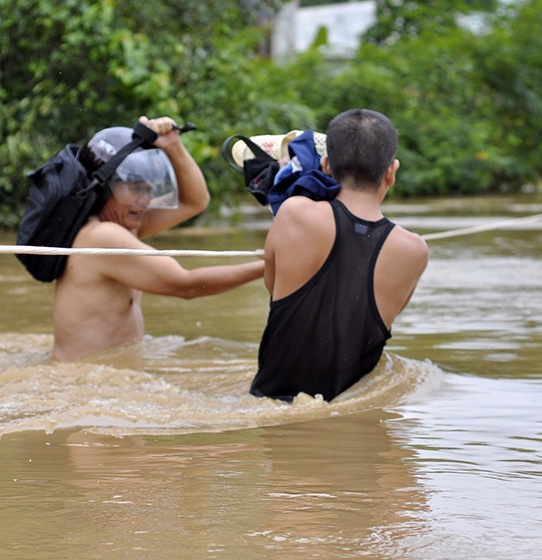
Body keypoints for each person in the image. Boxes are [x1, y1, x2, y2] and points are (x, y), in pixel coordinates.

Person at [250, 108, 429, 402]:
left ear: (327, 166)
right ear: (391, 172)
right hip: (353, 415)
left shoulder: (295, 213)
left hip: (271, 408)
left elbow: (273, 286)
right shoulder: (414, 250)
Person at [52, 116, 264, 361]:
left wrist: (173, 144)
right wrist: (266, 266)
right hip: (84, 380)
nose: (145, 200)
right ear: (105, 187)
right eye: (136, 188)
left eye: (149, 189)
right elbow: (187, 285)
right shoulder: (102, 237)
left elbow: (194, 202)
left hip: (106, 373)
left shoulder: (121, 226)